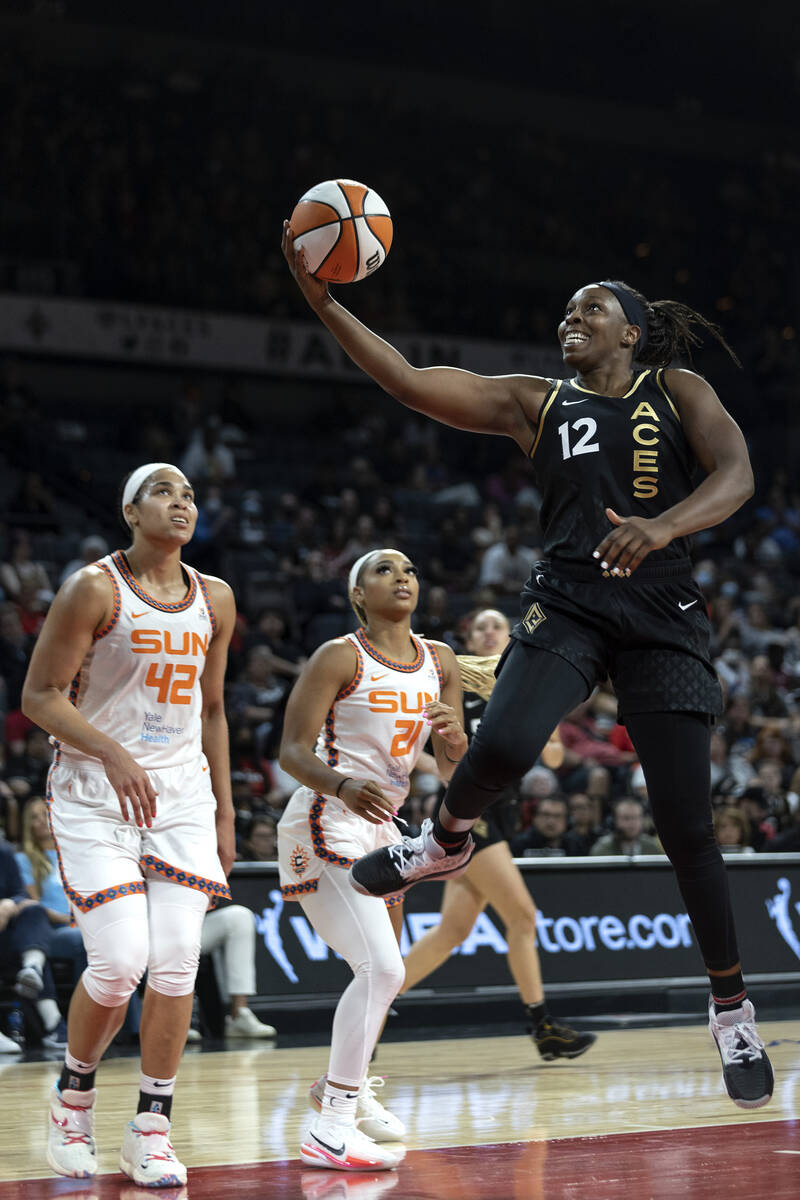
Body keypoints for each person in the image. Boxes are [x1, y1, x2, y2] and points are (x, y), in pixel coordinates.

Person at [282, 232, 774, 1111]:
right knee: (502, 741)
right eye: (567, 309)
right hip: (571, 599)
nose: (571, 319)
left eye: (592, 308)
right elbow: (406, 380)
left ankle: (730, 1004)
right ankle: (444, 840)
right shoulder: (536, 403)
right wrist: (323, 301)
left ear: (632, 331)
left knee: (686, 825)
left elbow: (738, 475)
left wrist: (663, 527)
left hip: (664, 609)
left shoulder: (680, 388)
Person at [21, 462, 236, 1185]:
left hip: (181, 797)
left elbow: (212, 709)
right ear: (130, 511)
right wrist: (110, 752)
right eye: (165, 492)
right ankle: (72, 1100)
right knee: (118, 964)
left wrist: (227, 811)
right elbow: (40, 696)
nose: (183, 503)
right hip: (93, 788)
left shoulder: (216, 597)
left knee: (177, 958)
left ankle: (151, 1125)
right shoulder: (94, 588)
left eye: (190, 494)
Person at [277, 548, 468, 1172]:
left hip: (385, 832)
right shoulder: (339, 655)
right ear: (359, 594)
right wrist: (339, 786)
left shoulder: (440, 661)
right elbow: (292, 751)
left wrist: (456, 742)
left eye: (411, 569)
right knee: (382, 971)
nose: (403, 577)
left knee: (384, 977)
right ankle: (329, 1125)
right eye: (385, 570)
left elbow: (451, 769)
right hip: (323, 819)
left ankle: (346, 1097)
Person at [400, 608, 595, 1060]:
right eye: (480, 626)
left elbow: (554, 760)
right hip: (469, 806)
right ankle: (542, 1024)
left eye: (497, 626)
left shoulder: (522, 684)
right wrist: (455, 774)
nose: (489, 632)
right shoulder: (454, 681)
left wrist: (547, 717)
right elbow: (412, 752)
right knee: (523, 917)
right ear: (467, 636)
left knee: (452, 931)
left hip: (501, 808)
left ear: (510, 636)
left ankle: (371, 1004)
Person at [16, 796, 87, 987]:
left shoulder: (75, 855)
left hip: (85, 923)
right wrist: (70, 920)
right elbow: (33, 907)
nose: (41, 821)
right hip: (52, 930)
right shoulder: (24, 860)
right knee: (86, 942)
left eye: (45, 814)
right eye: (34, 817)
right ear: (28, 825)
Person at [188, 902, 277, 1040]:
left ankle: (238, 1015)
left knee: (239, 916)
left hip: (189, 923)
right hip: (154, 927)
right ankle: (169, 1019)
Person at [589, 797, 663, 856]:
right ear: (615, 821)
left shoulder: (653, 847)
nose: (631, 823)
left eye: (635, 818)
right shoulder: (602, 848)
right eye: (626, 818)